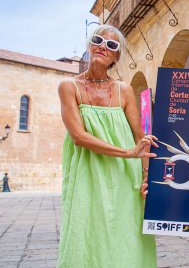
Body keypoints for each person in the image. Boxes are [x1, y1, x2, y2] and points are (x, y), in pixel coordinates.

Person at [57, 24, 158, 268]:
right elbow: (78, 136)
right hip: (88, 174)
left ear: (117, 56)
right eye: (99, 40)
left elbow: (140, 138)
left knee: (126, 233)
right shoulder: (69, 87)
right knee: (86, 230)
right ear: (90, 45)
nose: (104, 46)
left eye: (112, 45)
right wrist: (127, 153)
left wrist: (146, 176)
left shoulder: (123, 90)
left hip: (125, 176)